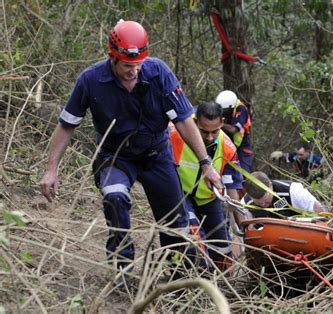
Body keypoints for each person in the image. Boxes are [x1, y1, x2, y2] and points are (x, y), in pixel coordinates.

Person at [39, 20, 222, 272]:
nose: (134, 71)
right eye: (127, 65)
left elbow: (183, 120)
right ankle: (122, 268)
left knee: (175, 222)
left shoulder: (158, 73)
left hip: (156, 155)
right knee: (115, 197)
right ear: (112, 58)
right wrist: (51, 169)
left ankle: (179, 273)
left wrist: (206, 164)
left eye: (138, 65)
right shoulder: (90, 80)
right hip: (116, 156)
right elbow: (67, 125)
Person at [169, 101, 243, 270]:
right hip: (181, 195)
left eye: (214, 131)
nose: (209, 137)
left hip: (209, 200)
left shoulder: (228, 149)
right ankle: (193, 276)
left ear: (222, 123)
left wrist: (243, 227)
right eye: (204, 131)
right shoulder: (175, 136)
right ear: (195, 122)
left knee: (223, 250)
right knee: (194, 238)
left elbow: (232, 188)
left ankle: (221, 286)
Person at [241, 171, 326, 219]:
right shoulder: (245, 204)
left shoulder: (292, 190)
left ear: (270, 185)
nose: (263, 205)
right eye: (259, 204)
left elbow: (317, 209)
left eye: (266, 201)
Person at [215, 90, 253, 173]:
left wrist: (218, 124)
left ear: (231, 107)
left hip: (242, 148)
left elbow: (233, 129)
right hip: (228, 145)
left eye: (225, 110)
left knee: (243, 173)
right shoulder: (223, 109)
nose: (223, 113)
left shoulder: (241, 110)